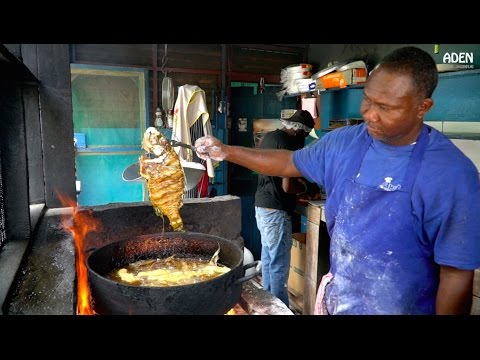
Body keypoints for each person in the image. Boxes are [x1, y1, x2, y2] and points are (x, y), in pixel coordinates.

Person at [195, 46, 480, 315]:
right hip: (340, 302)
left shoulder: (451, 174)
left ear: (422, 107)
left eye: (385, 107)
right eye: (367, 98)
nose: (369, 113)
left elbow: (456, 274)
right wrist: (227, 151)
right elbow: (288, 162)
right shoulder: (345, 143)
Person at [254, 110, 315, 306]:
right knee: (279, 265)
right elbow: (288, 186)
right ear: (299, 132)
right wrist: (306, 188)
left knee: (269, 260)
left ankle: (267, 305)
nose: (304, 141)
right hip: (277, 211)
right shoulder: (288, 146)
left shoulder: (269, 137)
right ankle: (280, 308)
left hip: (261, 207)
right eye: (305, 136)